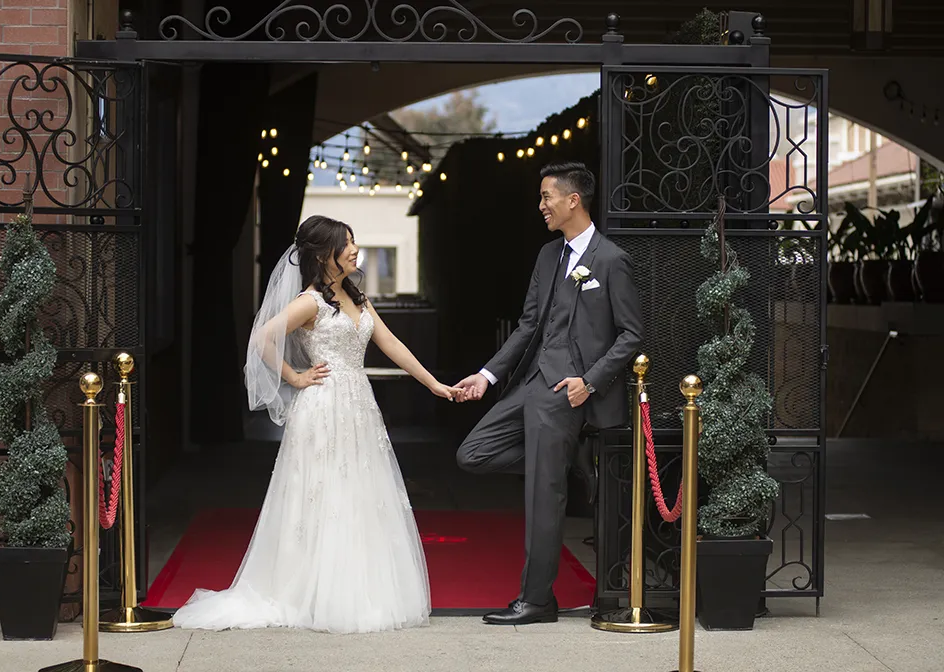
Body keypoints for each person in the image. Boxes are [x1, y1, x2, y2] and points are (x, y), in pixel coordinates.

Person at [173, 215, 460, 634]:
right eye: (347, 243)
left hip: (359, 405)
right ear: (325, 253)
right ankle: (309, 592)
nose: (355, 249)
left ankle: (357, 591)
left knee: (359, 494)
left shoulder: (355, 297)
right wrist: (294, 377)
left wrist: (434, 384)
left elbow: (390, 343)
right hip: (323, 407)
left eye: (355, 241)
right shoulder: (311, 301)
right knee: (321, 495)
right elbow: (262, 339)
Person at [454, 161, 644, 625]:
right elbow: (528, 326)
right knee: (471, 453)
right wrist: (488, 376)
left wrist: (590, 381)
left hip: (566, 392)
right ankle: (566, 465)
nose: (541, 206)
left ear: (572, 200)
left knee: (541, 497)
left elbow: (631, 334)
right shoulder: (547, 256)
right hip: (531, 382)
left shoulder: (610, 260)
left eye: (546, 197)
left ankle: (536, 600)